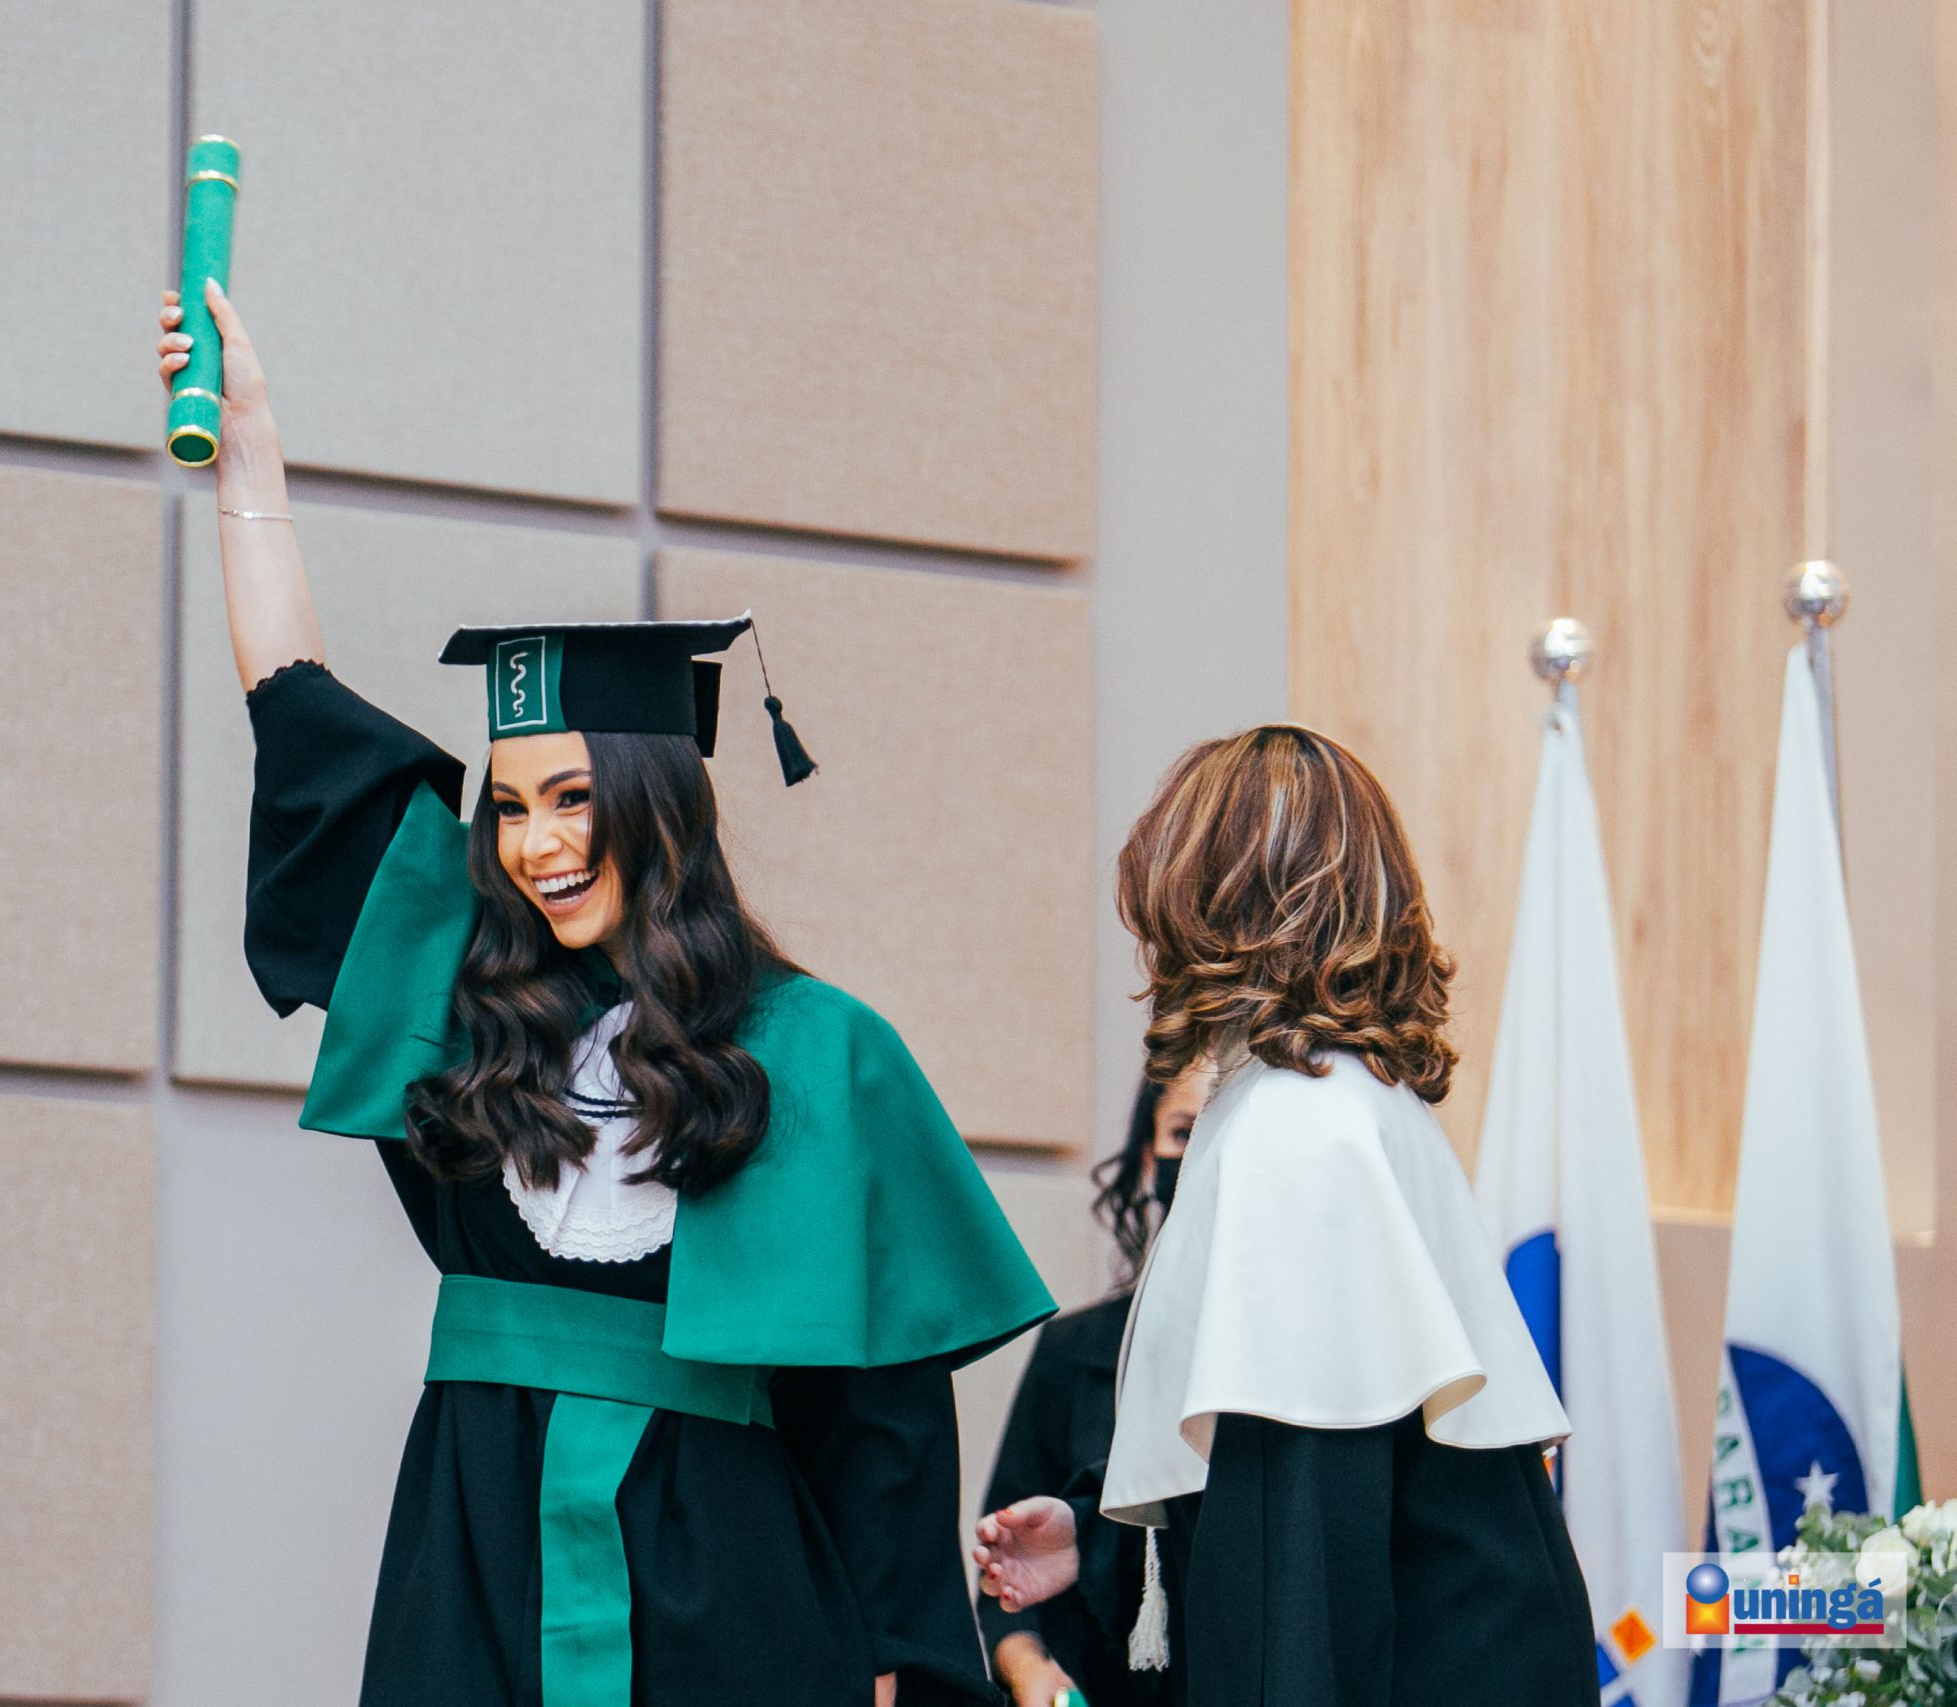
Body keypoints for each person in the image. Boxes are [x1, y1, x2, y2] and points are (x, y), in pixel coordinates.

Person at [158, 282, 1054, 1707]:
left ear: (656, 801)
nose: (535, 843)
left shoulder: (819, 1053)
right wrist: (250, 457)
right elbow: (298, 709)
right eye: (511, 805)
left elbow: (882, 1417)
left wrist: (900, 1654)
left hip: (732, 1593)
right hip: (476, 1555)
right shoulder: (466, 998)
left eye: (573, 796)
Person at [973, 727, 1597, 1707]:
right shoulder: (1342, 1099)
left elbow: (1304, 1544)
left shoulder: (1298, 1129)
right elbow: (1302, 1474)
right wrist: (1100, 1534)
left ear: (1217, 905)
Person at [978, 1064, 1209, 1707]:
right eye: (1184, 1133)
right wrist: (1032, 1673)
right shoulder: (1073, 1350)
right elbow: (1004, 1580)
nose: (1203, 1158)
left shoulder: (1310, 1372)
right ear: (1147, 1157)